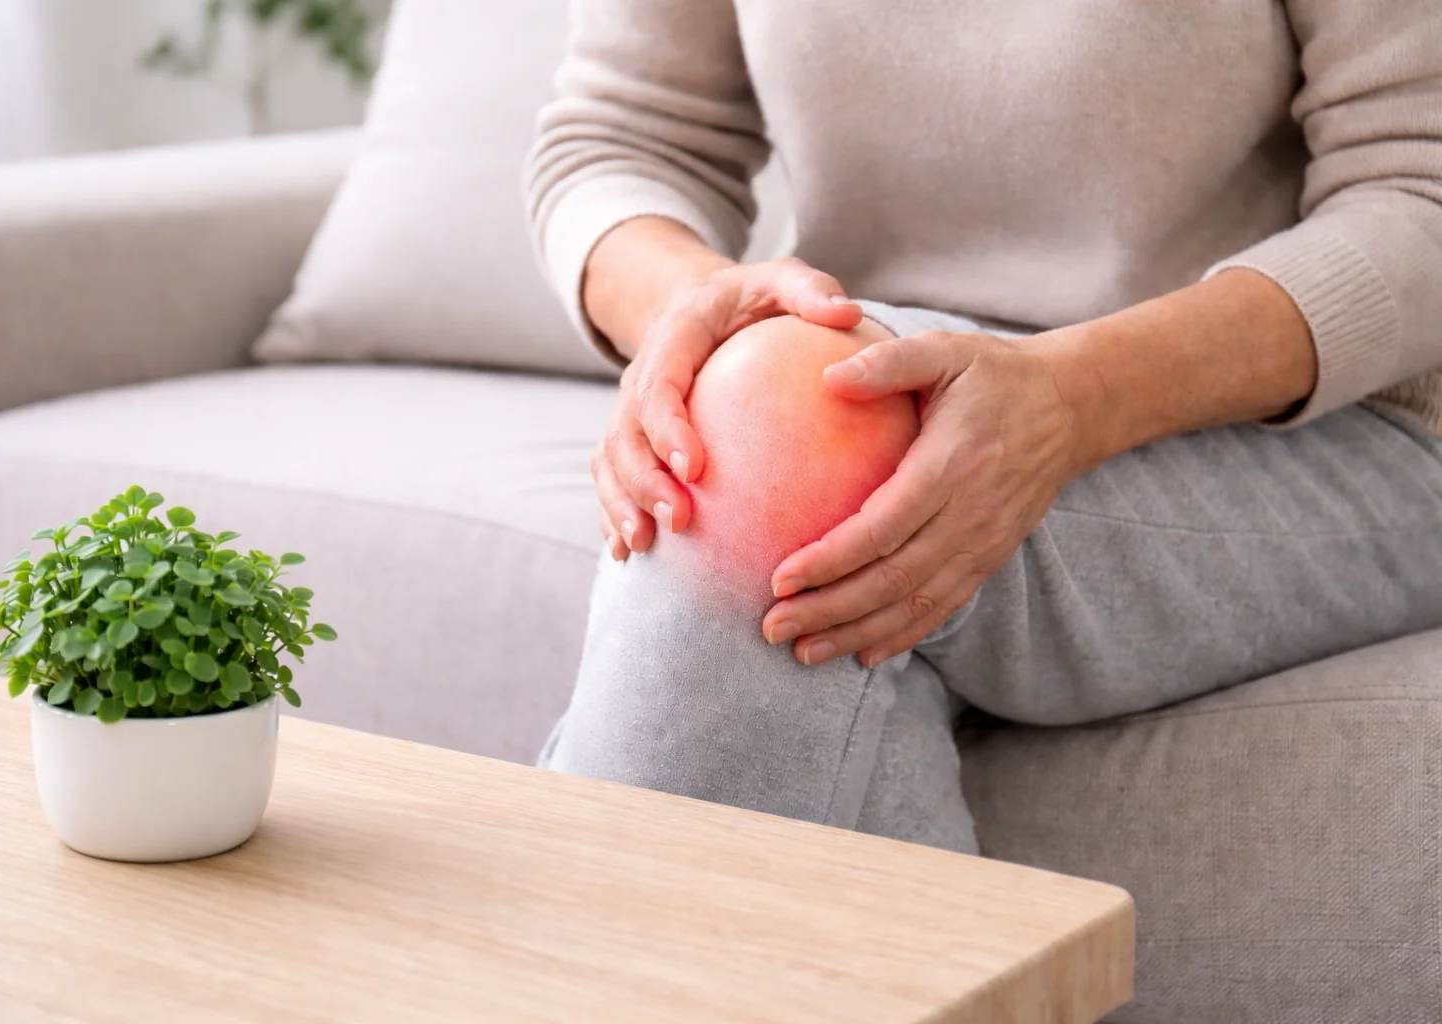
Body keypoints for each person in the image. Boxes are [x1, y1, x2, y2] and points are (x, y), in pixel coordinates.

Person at [523, 1, 1442, 853]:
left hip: (1320, 426)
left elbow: (1419, 193)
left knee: (794, 446)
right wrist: (692, 316)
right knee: (793, 432)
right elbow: (621, 137)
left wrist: (1073, 398)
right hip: (873, 382)